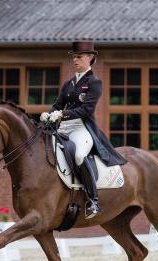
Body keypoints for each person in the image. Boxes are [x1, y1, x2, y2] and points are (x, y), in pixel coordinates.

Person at [40, 41, 127, 219]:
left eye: (79, 57)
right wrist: (48, 115)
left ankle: (93, 200)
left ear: (90, 58)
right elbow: (57, 105)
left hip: (81, 128)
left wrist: (61, 114)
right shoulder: (68, 83)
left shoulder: (94, 82)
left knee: (79, 155)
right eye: (73, 57)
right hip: (63, 128)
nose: (75, 60)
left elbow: (86, 110)